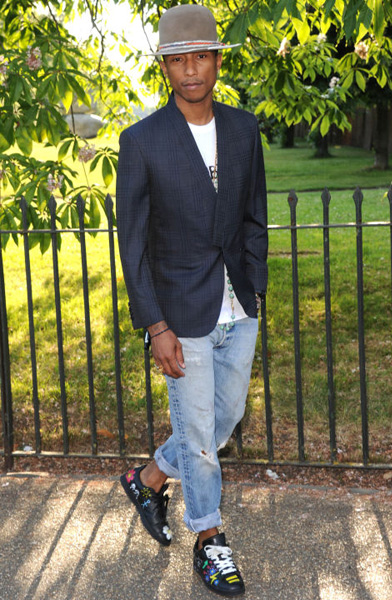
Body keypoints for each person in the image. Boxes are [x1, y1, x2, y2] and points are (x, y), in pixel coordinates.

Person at [116, 4, 267, 596]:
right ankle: (209, 538)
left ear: (216, 61)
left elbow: (253, 216)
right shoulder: (142, 141)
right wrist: (155, 325)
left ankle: (150, 476)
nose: (191, 70)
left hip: (238, 305)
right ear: (166, 68)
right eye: (179, 60)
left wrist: (255, 286)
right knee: (200, 436)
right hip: (179, 313)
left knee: (222, 420)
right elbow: (132, 246)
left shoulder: (244, 129)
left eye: (201, 56)